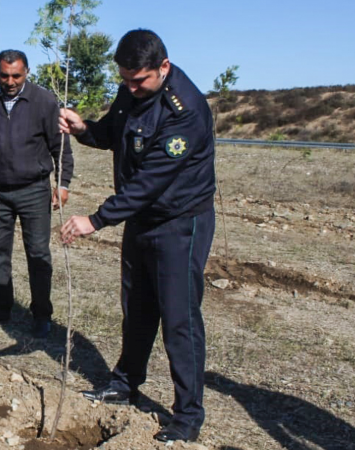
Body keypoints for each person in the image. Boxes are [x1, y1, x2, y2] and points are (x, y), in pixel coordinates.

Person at [59, 30, 216, 443]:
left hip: (178, 223)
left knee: (179, 318)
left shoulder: (185, 111)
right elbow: (113, 135)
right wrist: (83, 128)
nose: (130, 88)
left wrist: (96, 220)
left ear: (163, 67)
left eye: (139, 80)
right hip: (141, 221)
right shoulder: (131, 91)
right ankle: (125, 383)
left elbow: (150, 182)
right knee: (137, 307)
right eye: (125, 80)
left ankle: (187, 416)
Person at [0, 49, 73, 339]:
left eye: (16, 76)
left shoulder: (45, 102)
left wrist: (62, 184)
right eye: (4, 75)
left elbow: (60, 147)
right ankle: (0, 309)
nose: (10, 81)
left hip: (34, 191)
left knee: (38, 254)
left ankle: (42, 315)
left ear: (27, 72)